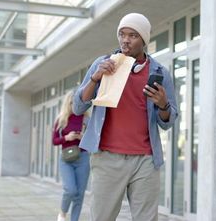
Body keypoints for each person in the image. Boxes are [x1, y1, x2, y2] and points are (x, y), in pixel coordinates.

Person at [72, 13, 178, 221]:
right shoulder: (102, 65)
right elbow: (78, 106)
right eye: (122, 34)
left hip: (146, 160)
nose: (125, 40)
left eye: (133, 35)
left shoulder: (159, 72)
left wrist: (163, 103)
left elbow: (168, 120)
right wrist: (95, 78)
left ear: (144, 40)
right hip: (108, 158)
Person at [53, 90, 90, 221]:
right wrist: (66, 138)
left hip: (83, 158)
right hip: (66, 159)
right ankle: (62, 212)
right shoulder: (61, 119)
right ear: (68, 103)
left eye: (77, 103)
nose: (74, 105)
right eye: (72, 102)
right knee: (70, 190)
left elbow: (92, 140)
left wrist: (82, 137)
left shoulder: (86, 118)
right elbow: (54, 141)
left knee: (79, 195)